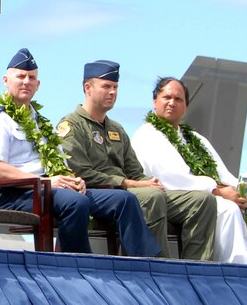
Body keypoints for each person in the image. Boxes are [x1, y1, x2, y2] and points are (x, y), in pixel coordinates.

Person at [0, 49, 161, 255]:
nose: (26, 81)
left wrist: (73, 179)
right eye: (20, 76)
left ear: (38, 85)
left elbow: (56, 163)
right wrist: (45, 181)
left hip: (52, 190)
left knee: (124, 200)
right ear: (5, 80)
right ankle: (78, 266)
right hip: (20, 193)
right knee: (76, 202)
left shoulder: (40, 122)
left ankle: (146, 266)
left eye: (32, 77)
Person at [132, 77, 247, 266]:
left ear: (186, 106)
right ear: (155, 101)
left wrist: (240, 192)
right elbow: (173, 177)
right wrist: (219, 192)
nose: (172, 103)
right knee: (228, 211)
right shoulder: (147, 135)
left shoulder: (195, 138)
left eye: (178, 99)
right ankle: (241, 270)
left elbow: (222, 173)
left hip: (215, 190)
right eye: (167, 97)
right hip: (179, 197)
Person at [58, 60, 216, 260]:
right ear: (88, 88)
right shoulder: (71, 126)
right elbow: (81, 173)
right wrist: (131, 183)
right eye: (106, 86)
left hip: (130, 192)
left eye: (115, 87)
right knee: (151, 196)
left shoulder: (117, 129)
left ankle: (197, 269)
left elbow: (135, 171)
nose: (112, 92)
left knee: (202, 201)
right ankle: (159, 267)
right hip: (98, 194)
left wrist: (147, 181)